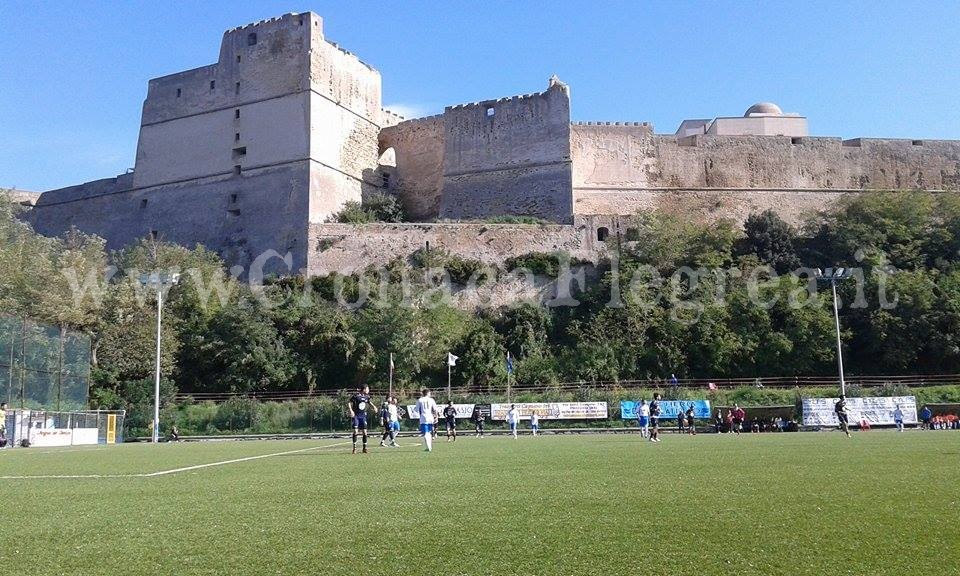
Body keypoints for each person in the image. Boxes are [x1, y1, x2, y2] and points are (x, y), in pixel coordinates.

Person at [348, 385, 378, 454]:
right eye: (368, 389)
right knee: (355, 431)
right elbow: (349, 402)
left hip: (363, 416)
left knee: (365, 432)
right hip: (356, 416)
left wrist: (374, 407)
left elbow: (369, 402)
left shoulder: (367, 396)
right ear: (364, 389)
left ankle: (364, 448)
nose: (368, 390)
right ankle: (354, 448)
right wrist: (351, 410)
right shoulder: (356, 396)